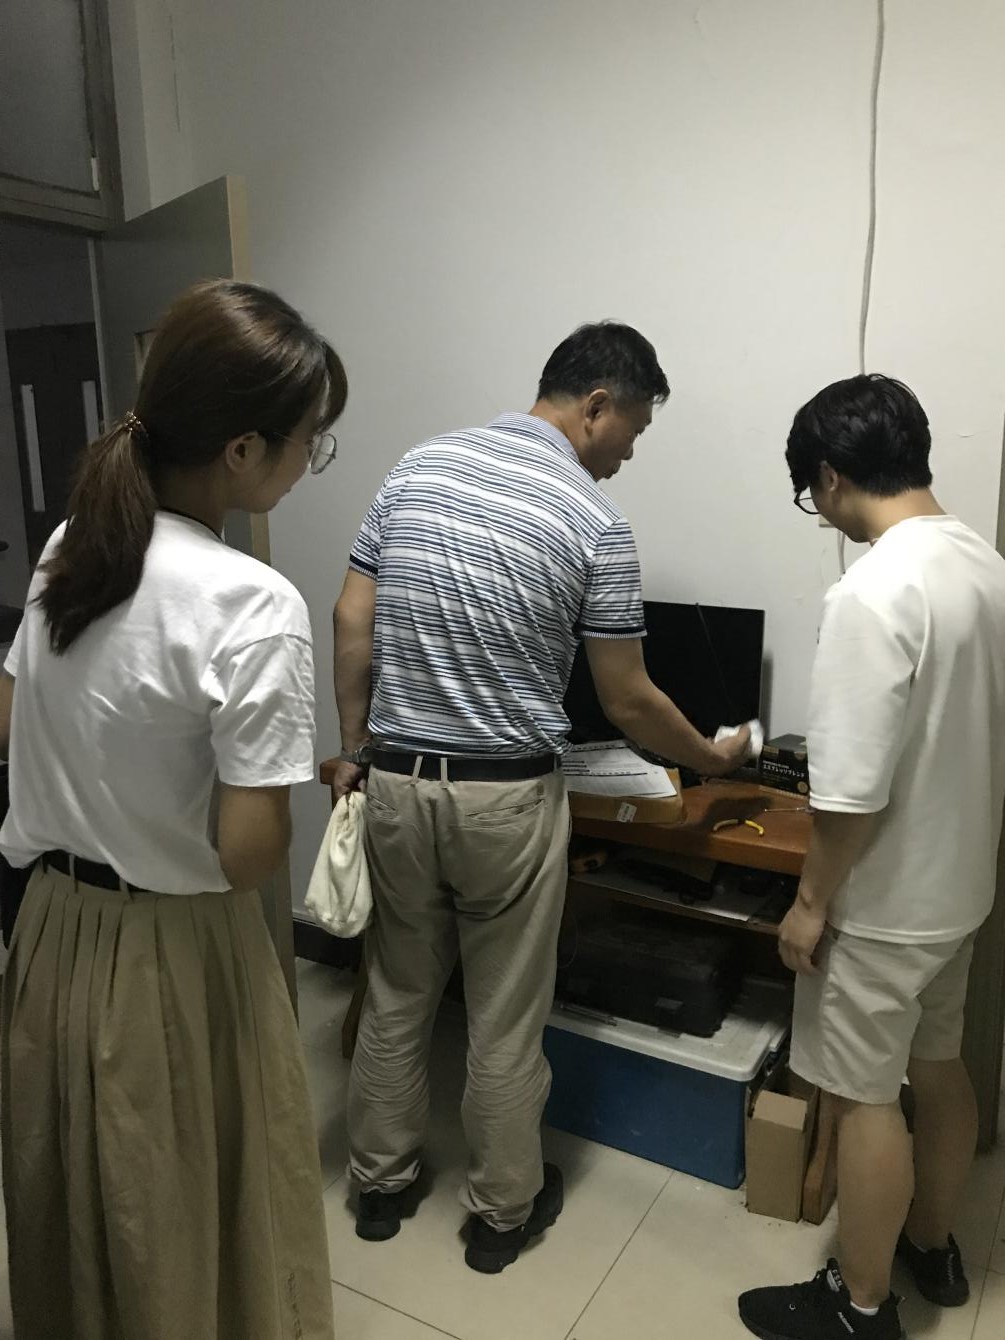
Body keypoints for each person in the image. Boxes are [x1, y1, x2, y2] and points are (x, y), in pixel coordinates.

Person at [331, 321, 751, 1274]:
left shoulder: (417, 467)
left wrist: (354, 748)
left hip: (397, 782)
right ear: (597, 405)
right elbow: (626, 698)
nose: (629, 453)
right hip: (503, 801)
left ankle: (379, 1188)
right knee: (504, 1015)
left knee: (396, 993)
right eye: (634, 429)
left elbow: (352, 615)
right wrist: (710, 759)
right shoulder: (594, 521)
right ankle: (500, 1215)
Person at [0, 279, 347, 1339]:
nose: (309, 460)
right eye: (310, 440)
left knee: (78, 1206)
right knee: (184, 1219)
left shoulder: (73, 544)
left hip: (49, 930)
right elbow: (247, 855)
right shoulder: (252, 600)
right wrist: (272, 786)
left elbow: (13, 716)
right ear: (243, 450)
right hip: (175, 948)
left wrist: (106, 780)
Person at [738, 374, 1005, 1340]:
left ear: (830, 475)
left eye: (811, 497)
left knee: (862, 1101)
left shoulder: (872, 589)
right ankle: (931, 1246)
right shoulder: (986, 568)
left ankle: (858, 1307)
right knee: (937, 1068)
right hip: (958, 889)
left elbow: (847, 793)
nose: (821, 516)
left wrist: (808, 903)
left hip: (882, 904)